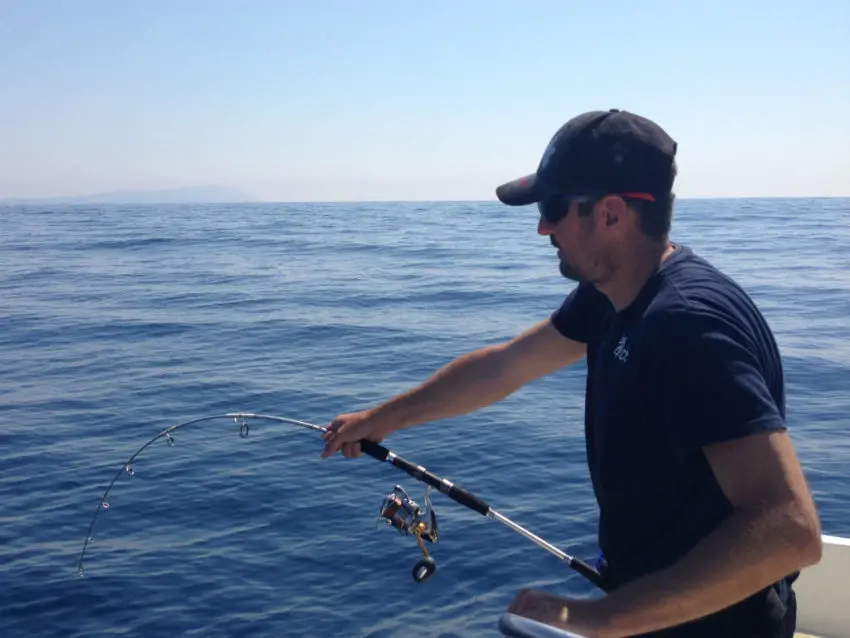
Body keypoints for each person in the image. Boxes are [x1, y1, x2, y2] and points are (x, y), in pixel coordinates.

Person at [320, 109, 823, 637]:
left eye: (554, 207)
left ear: (610, 215)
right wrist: (381, 418)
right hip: (653, 610)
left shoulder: (687, 326)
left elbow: (789, 530)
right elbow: (504, 366)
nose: (542, 226)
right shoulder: (611, 297)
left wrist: (595, 617)